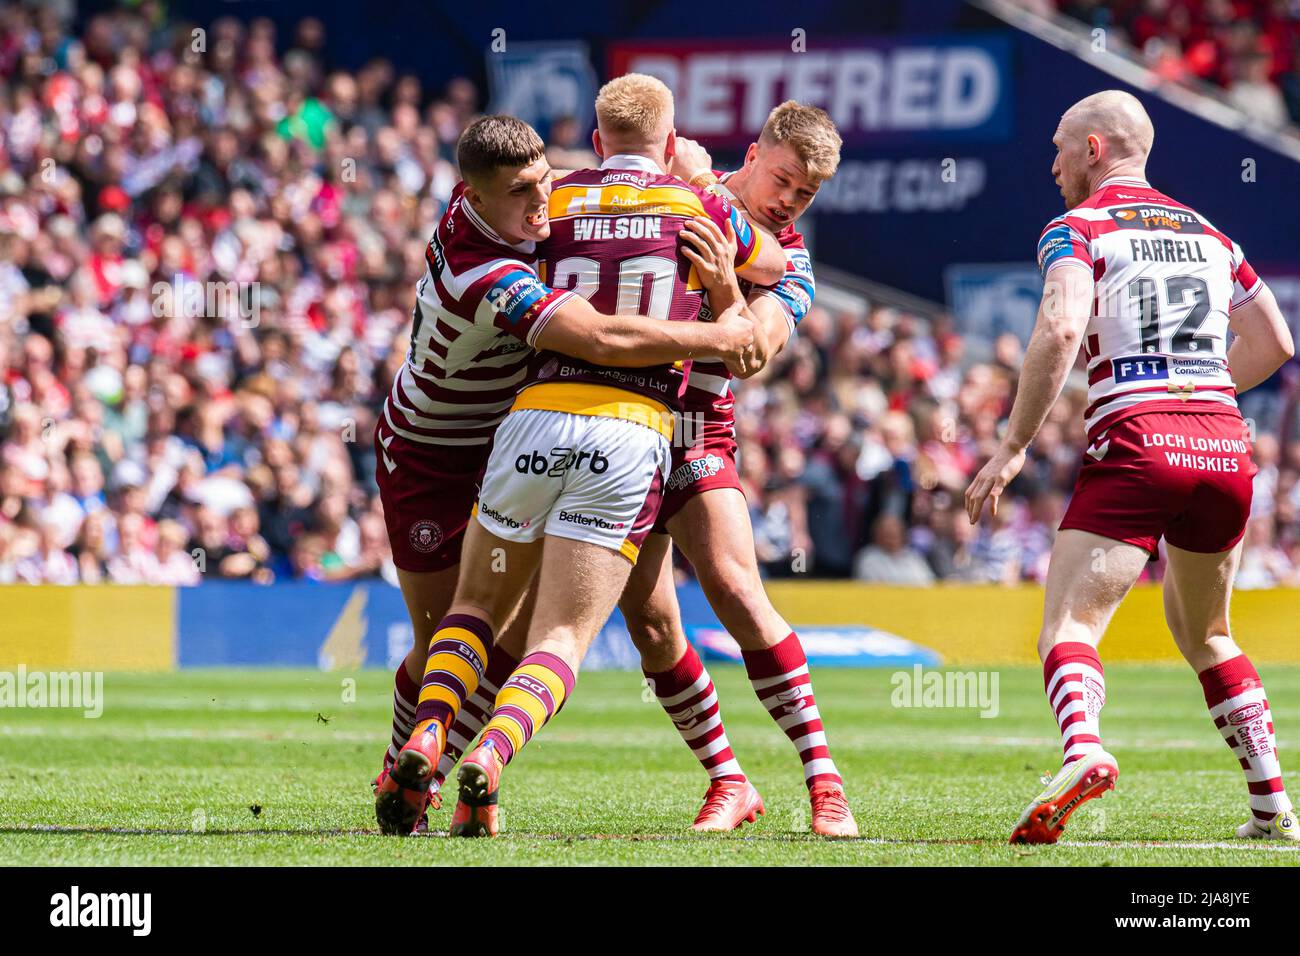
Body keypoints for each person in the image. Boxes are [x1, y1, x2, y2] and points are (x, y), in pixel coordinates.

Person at [371, 112, 759, 833]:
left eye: (546, 181)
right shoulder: (484, 270)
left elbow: (592, 181)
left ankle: (426, 772)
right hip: (430, 454)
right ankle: (405, 771)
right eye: (523, 192)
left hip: (512, 439)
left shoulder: (505, 208)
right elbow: (602, 336)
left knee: (506, 629)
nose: (542, 203)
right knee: (447, 644)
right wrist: (720, 331)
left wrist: (659, 169)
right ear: (476, 198)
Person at [965, 90, 1298, 844]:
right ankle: (1272, 805)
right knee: (1208, 632)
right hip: (1222, 443)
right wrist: (1196, 387)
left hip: (1140, 439)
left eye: (1058, 146)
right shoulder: (1213, 233)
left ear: (1094, 148)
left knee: (1068, 625)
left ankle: (1082, 749)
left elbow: (1058, 325)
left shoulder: (1078, 226)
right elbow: (1275, 343)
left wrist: (1014, 443)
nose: (1050, 165)